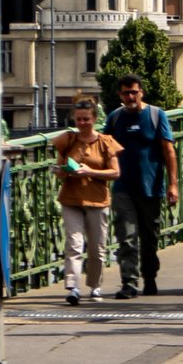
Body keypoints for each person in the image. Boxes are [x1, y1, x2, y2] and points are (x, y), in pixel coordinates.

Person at [104, 74, 179, 299]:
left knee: (150, 237)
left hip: (151, 186)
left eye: (134, 92)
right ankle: (129, 282)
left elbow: (168, 151)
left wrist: (173, 184)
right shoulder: (115, 118)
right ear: (120, 95)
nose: (130, 97)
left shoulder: (156, 115)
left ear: (141, 93)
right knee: (126, 236)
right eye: (126, 93)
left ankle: (150, 276)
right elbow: (105, 148)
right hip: (123, 187)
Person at [53, 95, 120, 307]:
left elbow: (116, 172)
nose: (82, 123)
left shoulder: (105, 142)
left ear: (94, 119)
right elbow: (60, 166)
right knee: (74, 244)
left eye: (86, 119)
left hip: (97, 200)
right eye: (78, 119)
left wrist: (91, 171)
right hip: (71, 199)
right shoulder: (68, 140)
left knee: (97, 248)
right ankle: (73, 287)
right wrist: (62, 172)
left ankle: (95, 285)